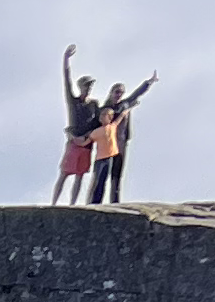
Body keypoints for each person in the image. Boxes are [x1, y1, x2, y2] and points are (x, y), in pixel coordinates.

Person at [89, 74, 155, 203]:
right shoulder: (104, 109)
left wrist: (149, 82)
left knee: (117, 174)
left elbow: (137, 94)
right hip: (106, 145)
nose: (119, 95)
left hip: (121, 143)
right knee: (102, 174)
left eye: (121, 92)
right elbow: (94, 126)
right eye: (117, 92)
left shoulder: (125, 105)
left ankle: (115, 202)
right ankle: (95, 202)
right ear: (111, 92)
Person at [53, 50, 103, 199]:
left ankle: (72, 204)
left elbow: (98, 122)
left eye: (89, 86)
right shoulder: (73, 101)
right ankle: (53, 203)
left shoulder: (94, 104)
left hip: (86, 143)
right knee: (64, 173)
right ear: (80, 87)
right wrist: (66, 60)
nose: (88, 88)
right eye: (86, 86)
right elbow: (66, 80)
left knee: (80, 175)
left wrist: (88, 137)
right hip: (74, 140)